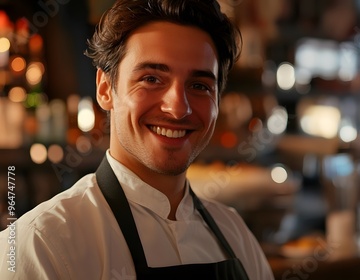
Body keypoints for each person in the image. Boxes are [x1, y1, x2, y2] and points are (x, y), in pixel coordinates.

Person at [0, 0, 274, 279]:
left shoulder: (236, 236)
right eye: (152, 79)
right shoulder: (41, 245)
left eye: (199, 86)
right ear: (105, 88)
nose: (178, 108)